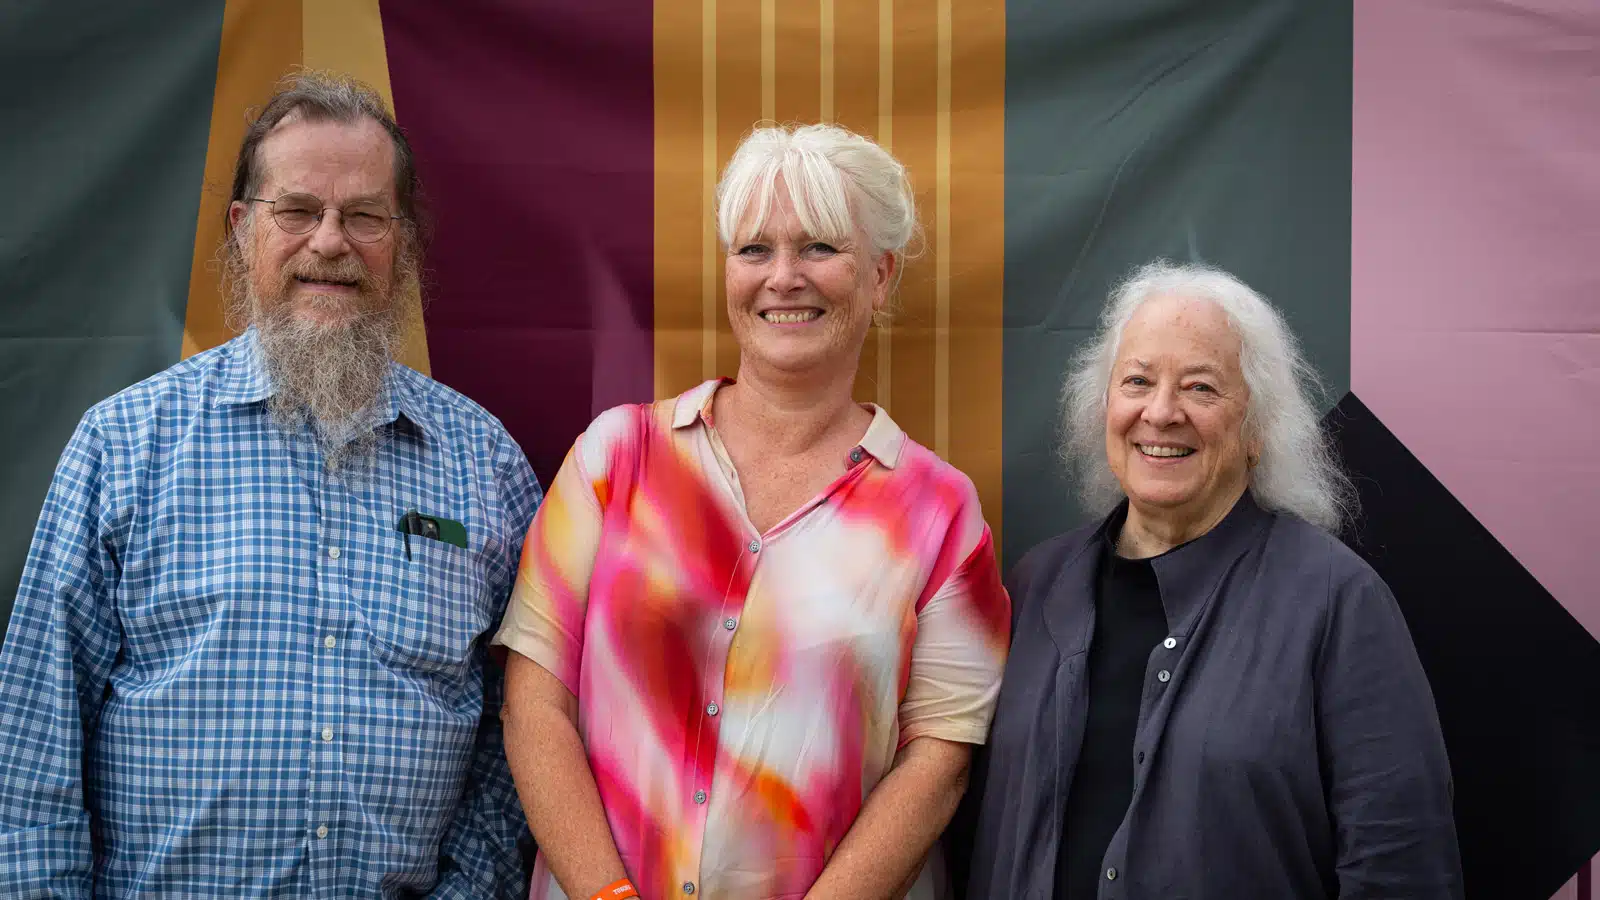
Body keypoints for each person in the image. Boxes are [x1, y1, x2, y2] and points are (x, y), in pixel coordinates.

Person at [0, 72, 539, 898]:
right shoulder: (124, 444)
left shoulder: (485, 463)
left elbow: (524, 728)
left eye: (365, 216)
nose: (331, 242)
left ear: (403, 246)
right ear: (243, 230)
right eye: (298, 211)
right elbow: (33, 741)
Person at [495, 123, 1011, 900]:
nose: (783, 277)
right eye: (754, 250)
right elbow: (534, 703)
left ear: (880, 275)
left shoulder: (939, 511)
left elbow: (938, 761)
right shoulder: (615, 458)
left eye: (819, 249)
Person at [952, 261, 1462, 898]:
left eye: (1200, 388)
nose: (1161, 413)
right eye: (1137, 381)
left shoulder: (1336, 602)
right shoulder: (1036, 583)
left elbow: (1399, 863)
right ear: (1103, 405)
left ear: (1257, 428)